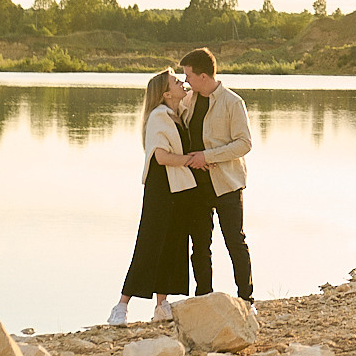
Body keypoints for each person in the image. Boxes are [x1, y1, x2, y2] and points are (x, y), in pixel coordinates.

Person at [108, 69, 197, 325]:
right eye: (176, 81)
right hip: (161, 188)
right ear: (166, 93)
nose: (182, 82)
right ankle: (121, 306)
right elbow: (161, 157)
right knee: (149, 243)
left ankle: (162, 304)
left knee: (173, 244)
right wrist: (192, 161)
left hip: (178, 188)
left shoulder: (178, 113)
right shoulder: (159, 116)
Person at [175, 47, 254, 303]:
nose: (185, 81)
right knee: (199, 246)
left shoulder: (233, 102)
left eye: (188, 76)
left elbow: (244, 144)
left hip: (227, 185)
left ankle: (246, 300)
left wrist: (207, 156)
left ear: (203, 77)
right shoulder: (188, 101)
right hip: (196, 186)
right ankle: (204, 299)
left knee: (235, 242)